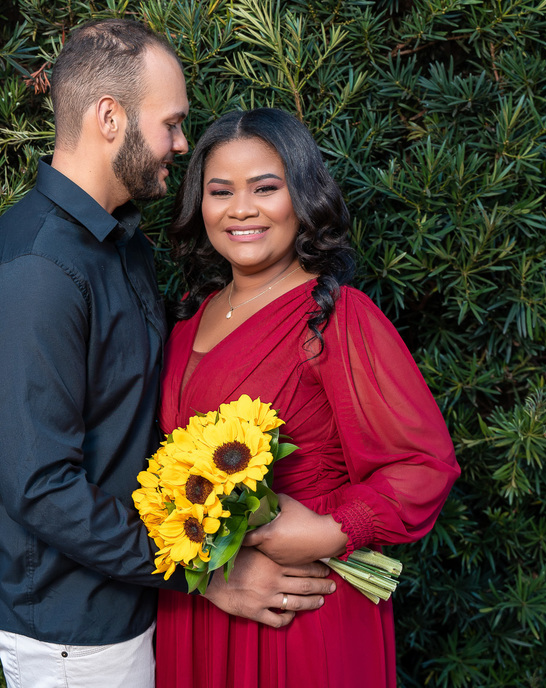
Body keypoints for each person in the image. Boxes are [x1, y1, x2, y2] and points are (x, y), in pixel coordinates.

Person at [0, 22, 335, 688]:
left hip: (130, 601)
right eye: (172, 124)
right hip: (76, 631)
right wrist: (205, 568)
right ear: (109, 118)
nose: (183, 146)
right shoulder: (37, 271)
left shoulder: (119, 243)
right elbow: (42, 489)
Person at [156, 107, 461, 688]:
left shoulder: (337, 320)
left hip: (300, 609)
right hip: (202, 599)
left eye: (265, 189)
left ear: (301, 196)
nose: (241, 209)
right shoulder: (183, 328)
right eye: (220, 192)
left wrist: (336, 530)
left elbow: (424, 463)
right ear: (200, 205)